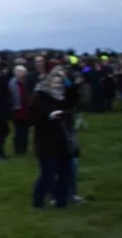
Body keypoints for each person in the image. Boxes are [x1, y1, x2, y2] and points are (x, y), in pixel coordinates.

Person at [27, 67, 77, 209]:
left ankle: (61, 203)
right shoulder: (39, 97)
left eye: (60, 83)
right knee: (47, 175)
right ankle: (38, 202)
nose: (58, 86)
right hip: (46, 141)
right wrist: (48, 117)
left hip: (63, 140)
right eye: (55, 83)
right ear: (49, 83)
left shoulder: (64, 97)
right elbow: (31, 119)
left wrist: (68, 81)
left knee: (65, 174)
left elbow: (75, 99)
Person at [9, 65, 32, 156]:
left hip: (26, 109)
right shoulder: (12, 83)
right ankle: (18, 149)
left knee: (25, 130)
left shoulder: (27, 82)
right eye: (18, 72)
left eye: (21, 72)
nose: (20, 74)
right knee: (18, 130)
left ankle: (24, 148)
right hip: (17, 109)